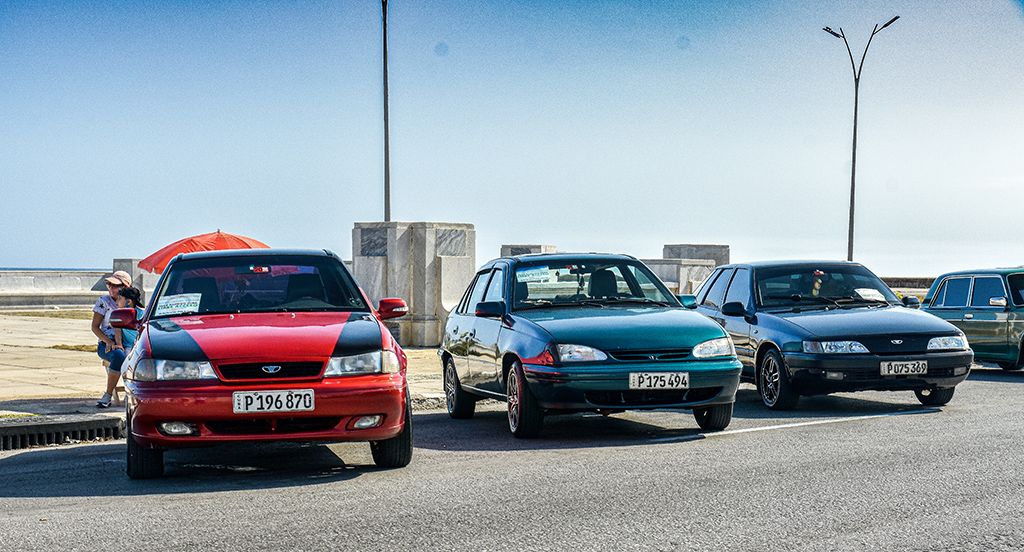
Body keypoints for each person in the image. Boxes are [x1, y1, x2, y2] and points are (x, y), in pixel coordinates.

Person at [91, 270, 132, 408]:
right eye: (109, 285)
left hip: (127, 342)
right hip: (106, 343)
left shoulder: (131, 303)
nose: (111, 288)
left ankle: (132, 394)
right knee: (119, 356)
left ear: (124, 287)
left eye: (115, 286)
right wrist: (108, 341)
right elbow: (95, 327)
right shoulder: (104, 301)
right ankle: (108, 395)